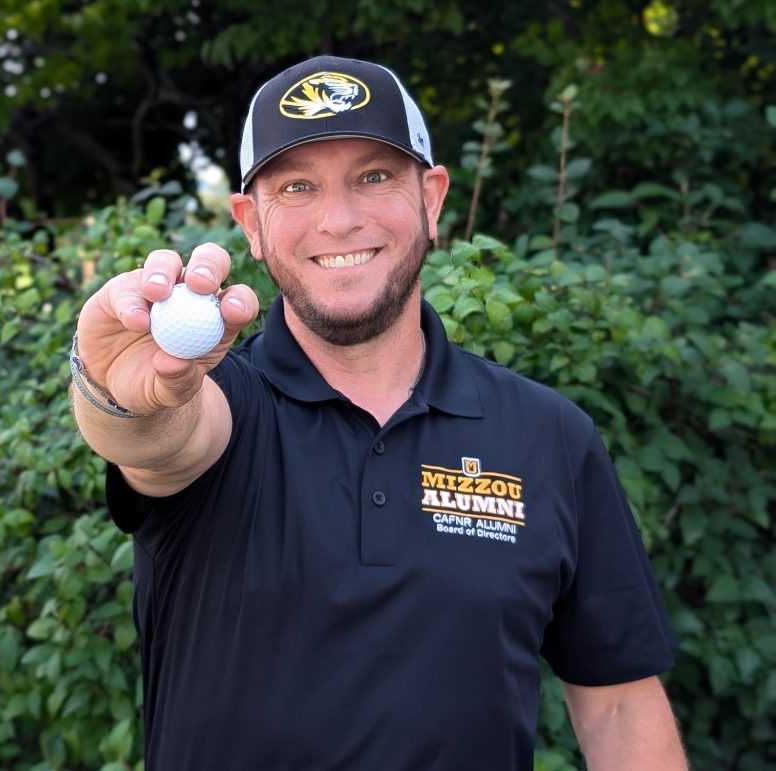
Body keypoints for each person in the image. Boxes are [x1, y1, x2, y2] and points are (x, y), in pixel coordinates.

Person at [70, 55, 687, 770]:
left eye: (374, 176)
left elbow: (617, 702)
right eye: (297, 186)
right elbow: (158, 436)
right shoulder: (226, 408)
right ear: (252, 224)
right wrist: (115, 392)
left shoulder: (550, 435)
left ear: (432, 197)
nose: (340, 218)